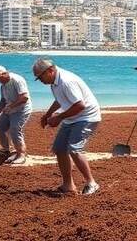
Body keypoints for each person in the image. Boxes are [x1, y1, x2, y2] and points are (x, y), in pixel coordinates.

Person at [34, 57, 102, 195]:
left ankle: (92, 183)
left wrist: (58, 118)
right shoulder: (54, 82)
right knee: (59, 149)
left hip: (86, 116)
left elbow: (80, 105)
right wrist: (48, 115)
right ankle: (68, 185)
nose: (40, 80)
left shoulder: (66, 81)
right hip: (73, 117)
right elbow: (60, 100)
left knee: (74, 149)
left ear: (50, 70)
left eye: (40, 77)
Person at [0, 65, 32, 164]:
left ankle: (21, 154)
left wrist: (11, 106)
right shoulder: (3, 86)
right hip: (9, 109)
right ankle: (7, 151)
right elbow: (3, 100)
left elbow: (24, 98)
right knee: (0, 129)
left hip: (21, 110)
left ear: (4, 73)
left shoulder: (17, 80)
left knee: (15, 130)